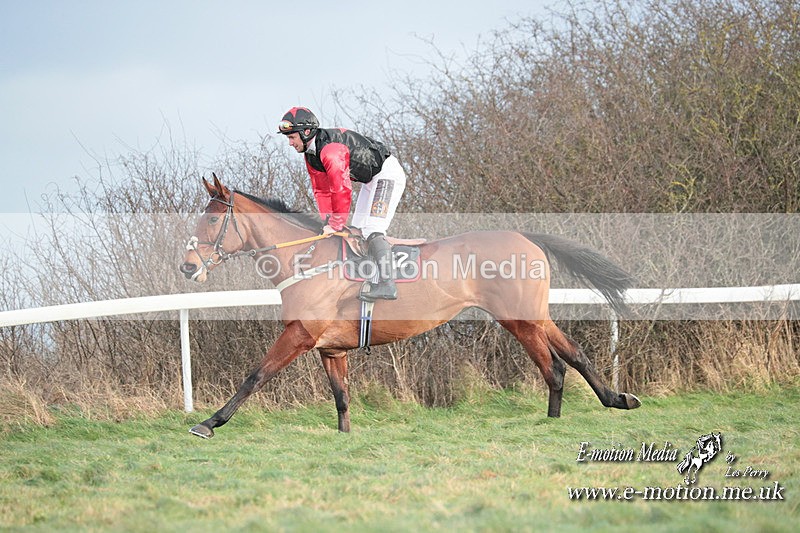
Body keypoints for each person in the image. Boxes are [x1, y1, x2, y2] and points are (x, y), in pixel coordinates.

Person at [278, 106, 407, 301]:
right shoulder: (311, 154)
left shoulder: (330, 151)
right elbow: (321, 190)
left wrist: (336, 224)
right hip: (370, 180)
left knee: (373, 229)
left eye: (292, 137)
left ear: (306, 132)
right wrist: (328, 223)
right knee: (357, 230)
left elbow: (341, 189)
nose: (290, 143)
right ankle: (368, 275)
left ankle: (388, 285)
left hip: (386, 174)